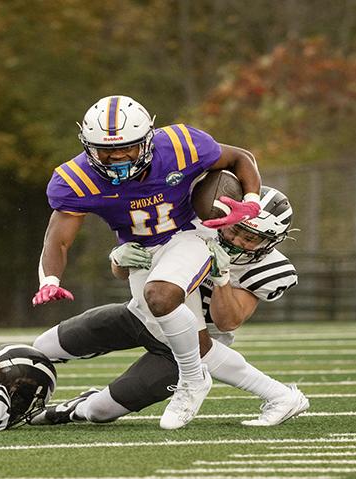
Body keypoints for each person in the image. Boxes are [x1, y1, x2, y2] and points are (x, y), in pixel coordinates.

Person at [32, 95, 262, 430]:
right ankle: (69, 403)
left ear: (148, 139)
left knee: (163, 304)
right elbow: (58, 237)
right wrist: (50, 280)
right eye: (106, 150)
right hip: (140, 257)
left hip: (188, 238)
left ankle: (213, 382)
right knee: (43, 350)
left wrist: (252, 200)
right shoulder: (76, 179)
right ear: (87, 146)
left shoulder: (182, 146)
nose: (119, 157)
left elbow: (240, 157)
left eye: (128, 147)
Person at [31, 186, 309, 427]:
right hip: (140, 315)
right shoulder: (197, 226)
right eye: (236, 229)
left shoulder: (270, 269)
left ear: (269, 243)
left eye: (251, 239)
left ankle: (75, 408)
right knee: (41, 347)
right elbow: (124, 272)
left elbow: (228, 322)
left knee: (99, 412)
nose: (237, 241)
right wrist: (119, 259)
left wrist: (221, 278)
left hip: (190, 346)